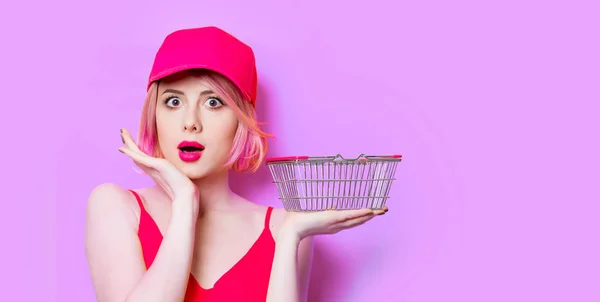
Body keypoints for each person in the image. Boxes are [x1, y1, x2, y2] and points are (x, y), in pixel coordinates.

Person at [84, 26, 388, 302]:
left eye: (213, 102)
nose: (190, 123)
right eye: (173, 101)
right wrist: (184, 201)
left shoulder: (285, 227)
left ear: (241, 120)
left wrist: (291, 237)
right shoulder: (116, 206)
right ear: (154, 114)